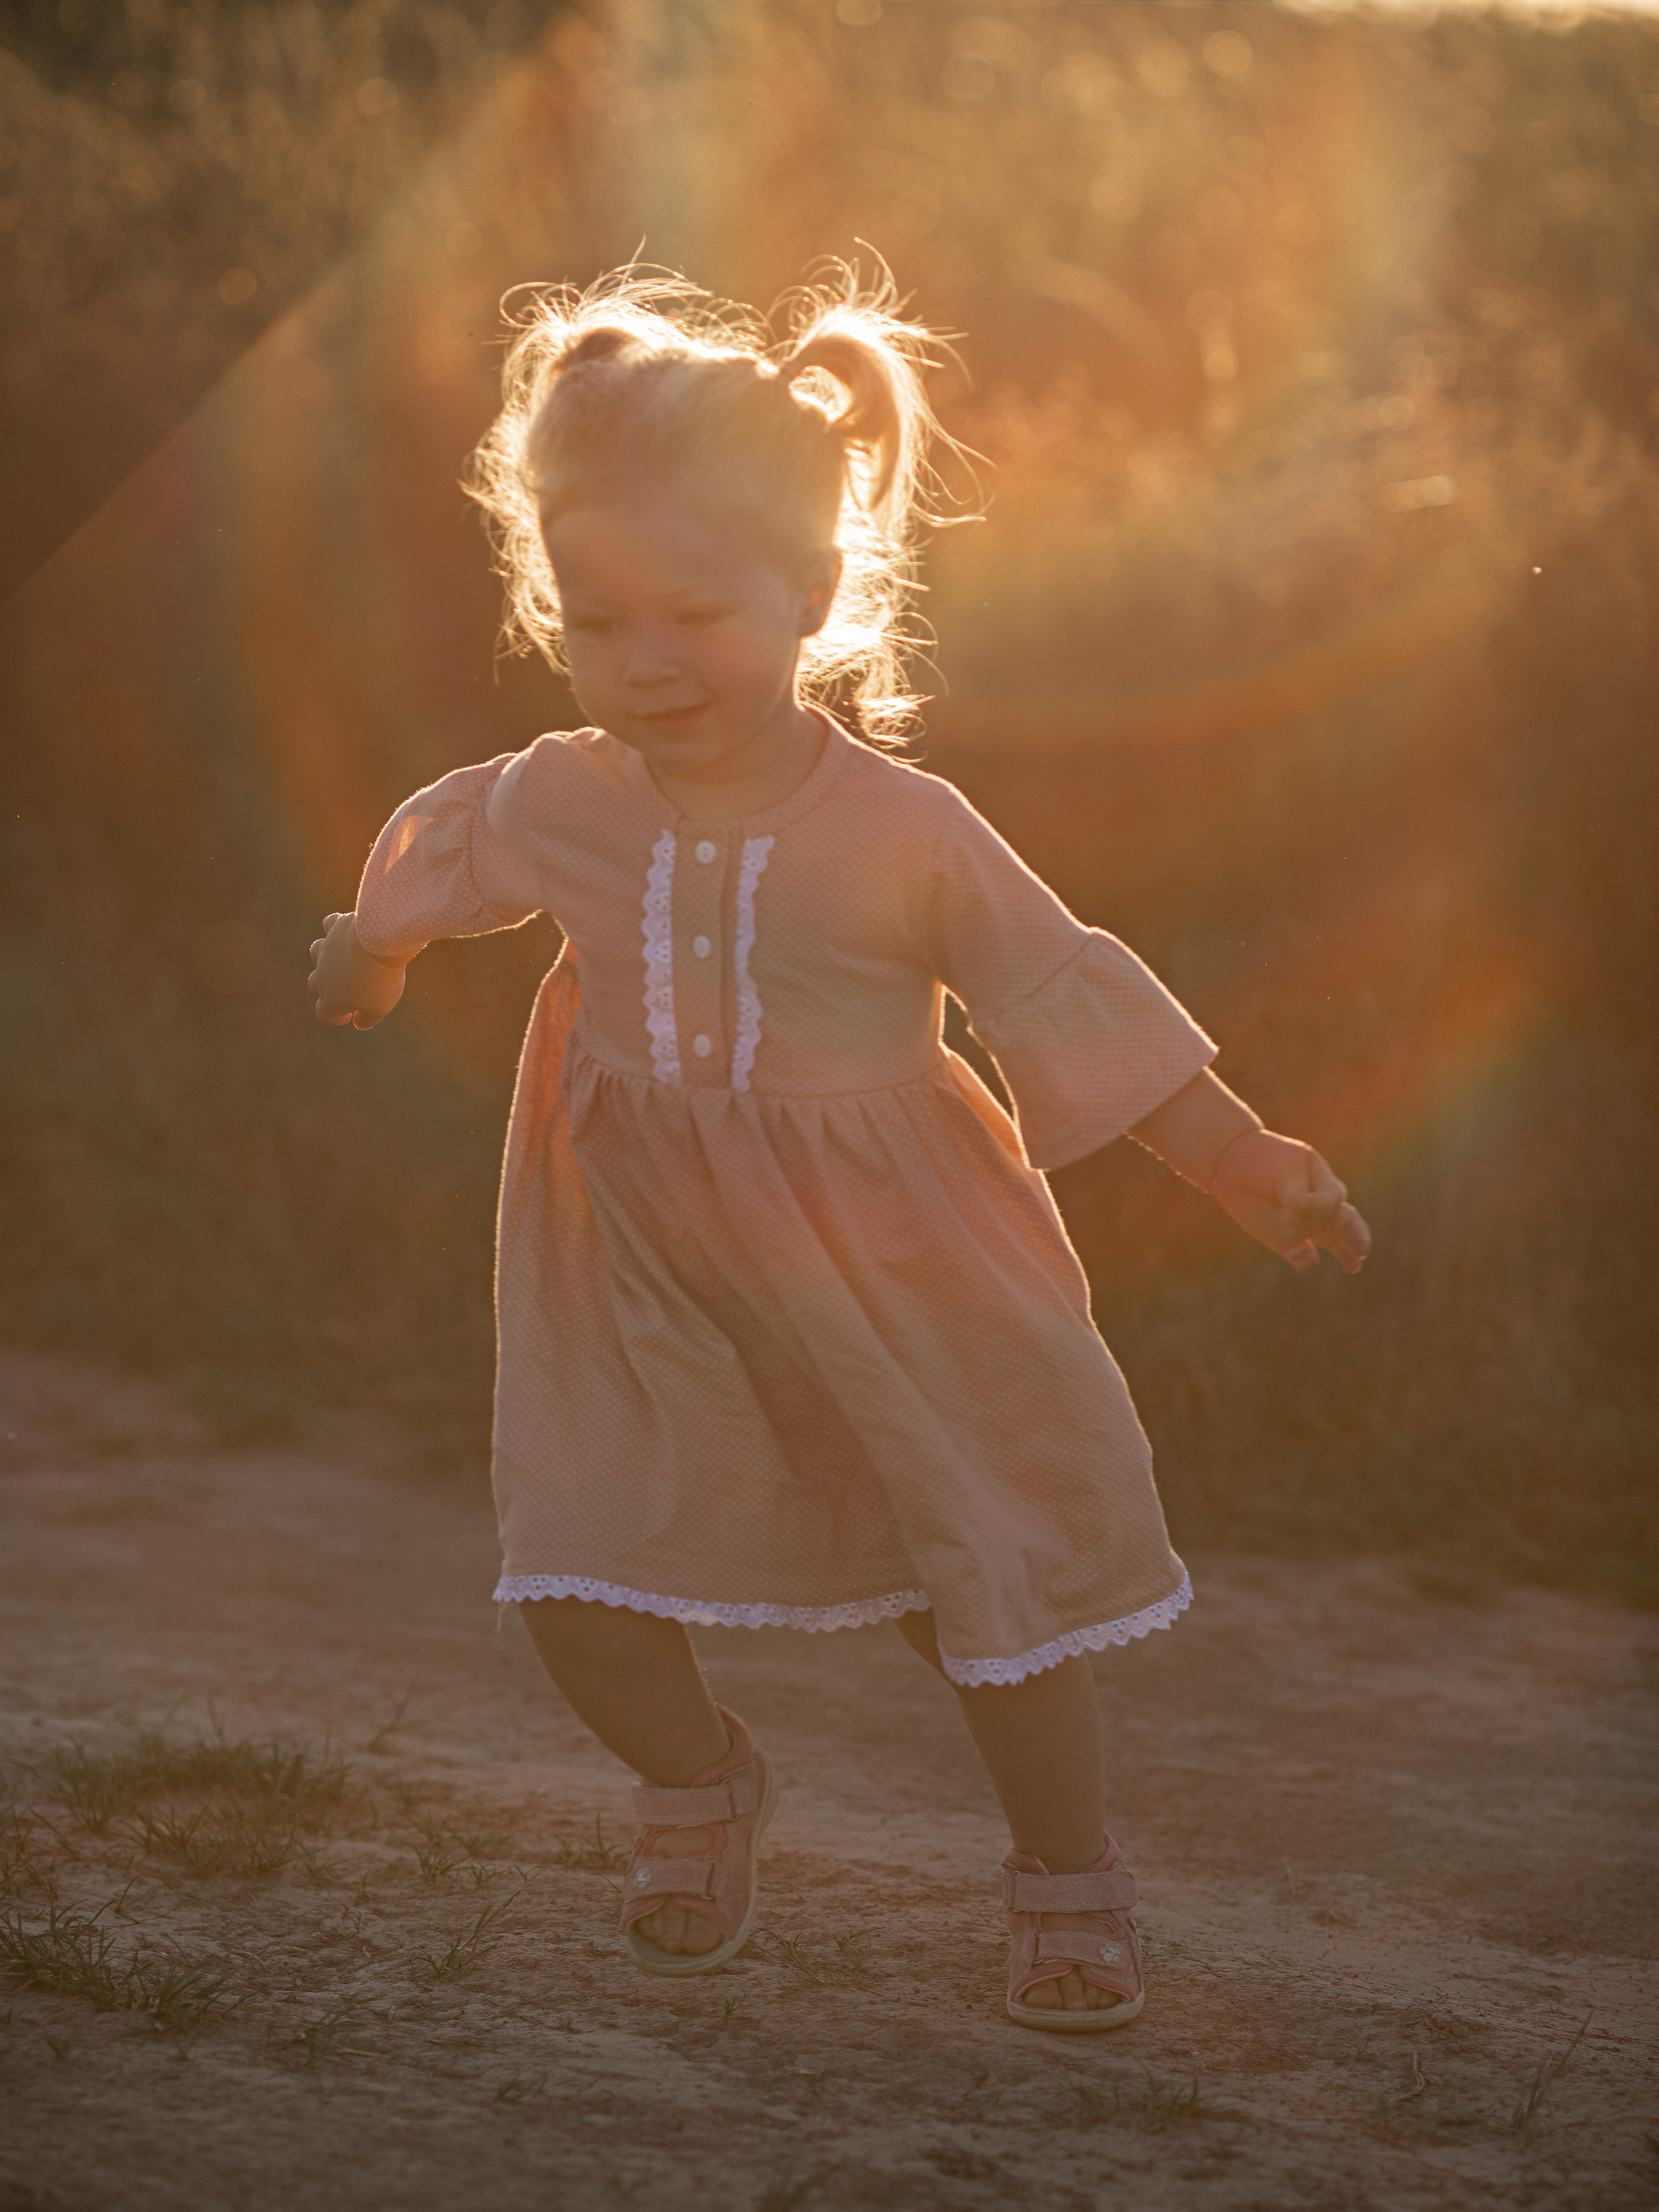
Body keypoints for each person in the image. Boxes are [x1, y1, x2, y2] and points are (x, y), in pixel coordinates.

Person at [308, 266, 1370, 2032]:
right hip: (634, 1258)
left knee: (974, 1592)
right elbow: (449, 868)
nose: (645, 663)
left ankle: (1067, 1870)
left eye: (696, 615)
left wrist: (1244, 1159)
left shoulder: (904, 833)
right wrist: (372, 958)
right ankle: (698, 1784)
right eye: (597, 621)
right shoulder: (563, 795)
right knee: (576, 1562)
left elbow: (1058, 991)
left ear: (812, 592)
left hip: (890, 1258)